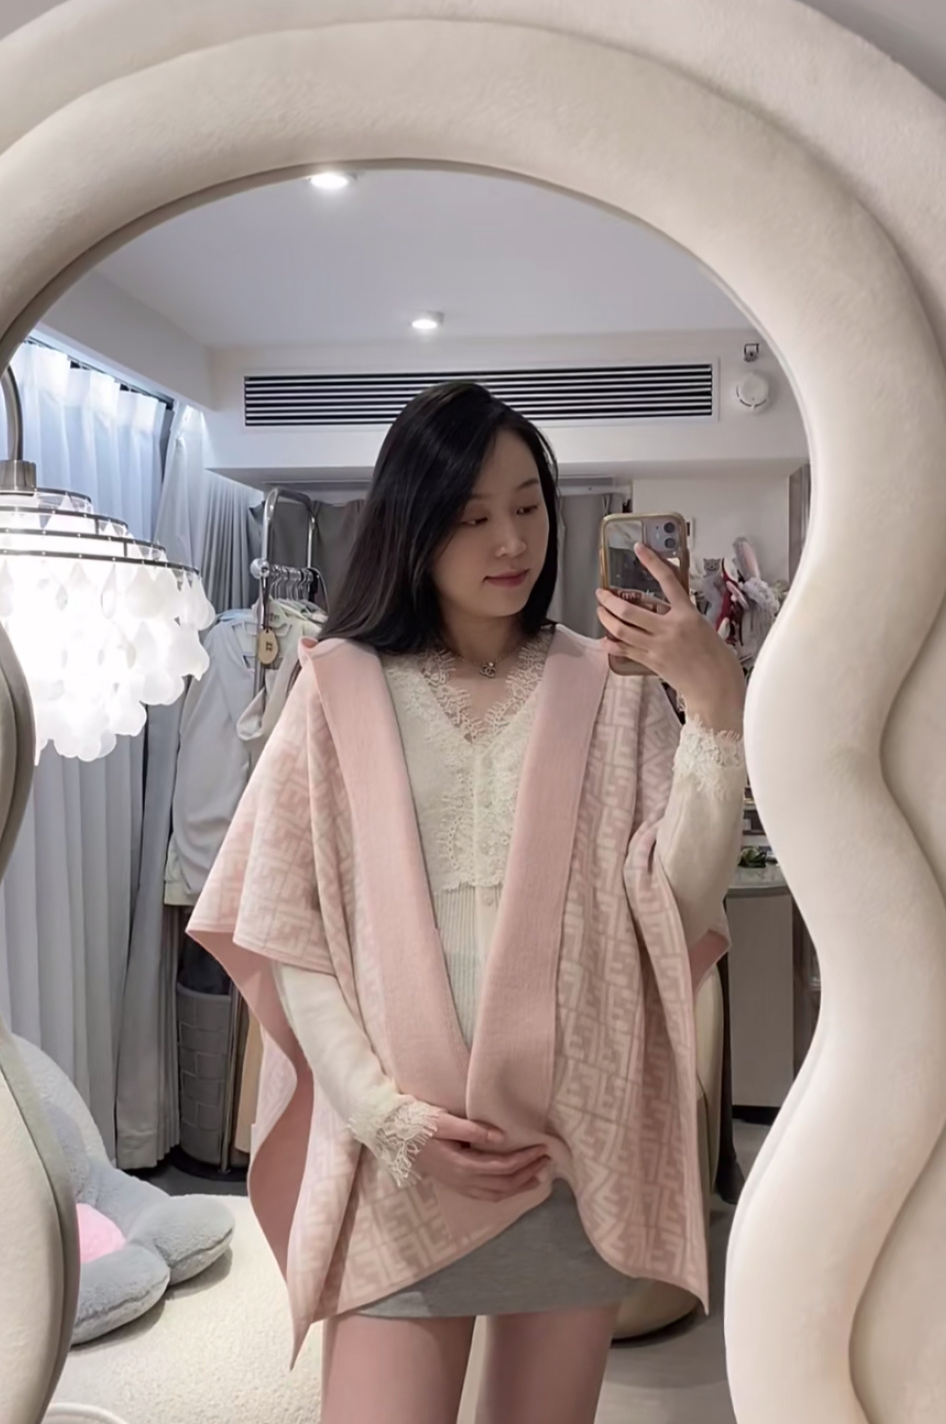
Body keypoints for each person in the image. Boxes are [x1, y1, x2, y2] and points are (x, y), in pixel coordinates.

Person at [188, 381, 746, 1424]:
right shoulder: (337, 687)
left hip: (563, 1151)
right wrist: (387, 1119)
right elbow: (296, 933)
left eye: (528, 505)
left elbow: (674, 900)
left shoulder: (611, 687)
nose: (512, 540)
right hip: (398, 1159)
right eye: (471, 515)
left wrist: (716, 706)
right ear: (413, 524)